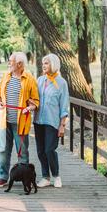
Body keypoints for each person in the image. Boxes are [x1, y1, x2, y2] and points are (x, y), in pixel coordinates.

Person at [0, 52, 40, 188]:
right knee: (4, 149)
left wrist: (30, 107)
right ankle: (3, 177)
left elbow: (36, 101)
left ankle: (25, 176)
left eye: (11, 61)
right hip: (5, 121)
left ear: (19, 64)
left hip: (21, 122)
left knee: (22, 151)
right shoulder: (6, 76)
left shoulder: (29, 79)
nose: (9, 64)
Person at [33, 53, 70, 188]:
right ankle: (45, 177)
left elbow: (64, 106)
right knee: (40, 151)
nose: (44, 65)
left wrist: (62, 125)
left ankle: (56, 176)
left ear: (53, 64)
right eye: (43, 63)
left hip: (52, 122)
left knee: (50, 149)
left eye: (46, 63)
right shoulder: (40, 80)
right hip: (38, 121)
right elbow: (34, 98)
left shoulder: (62, 83)